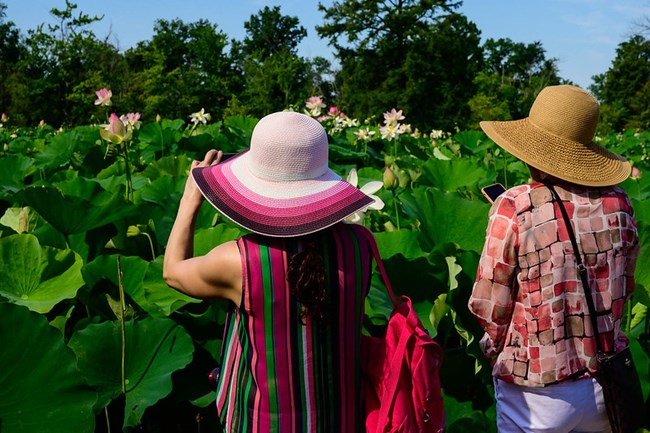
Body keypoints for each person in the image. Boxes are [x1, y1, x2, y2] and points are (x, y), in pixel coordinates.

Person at [163, 111, 378, 432]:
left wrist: (191, 198)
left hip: (260, 423)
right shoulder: (362, 244)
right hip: (346, 420)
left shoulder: (239, 260)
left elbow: (173, 271)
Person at [468, 85, 639, 433]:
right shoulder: (621, 204)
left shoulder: (514, 205)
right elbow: (626, 286)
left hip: (534, 391)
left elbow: (489, 305)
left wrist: (493, 352)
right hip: (605, 383)